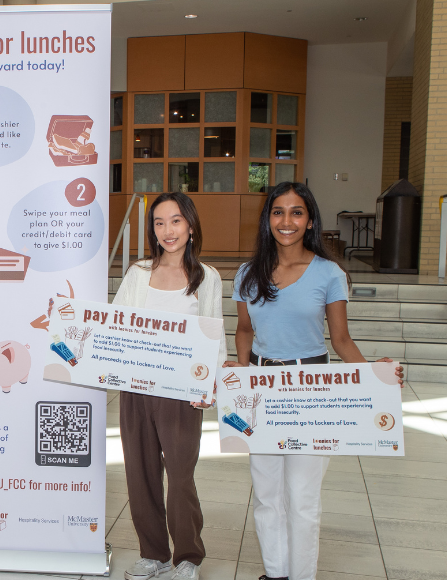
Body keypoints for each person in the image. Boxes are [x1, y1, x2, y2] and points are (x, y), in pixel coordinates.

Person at [229, 182, 403, 580]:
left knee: (303, 498)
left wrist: (375, 378)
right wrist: (242, 371)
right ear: (267, 218)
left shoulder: (329, 273)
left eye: (296, 212)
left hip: (312, 389)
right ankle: (275, 573)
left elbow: (341, 339)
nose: (286, 221)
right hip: (262, 391)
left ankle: (302, 575)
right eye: (278, 212)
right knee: (267, 495)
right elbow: (243, 329)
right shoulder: (246, 273)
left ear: (309, 221)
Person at [114, 192, 226, 580]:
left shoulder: (206, 277)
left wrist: (212, 380)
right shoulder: (138, 274)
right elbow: (115, 327)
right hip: (136, 390)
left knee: (180, 476)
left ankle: (188, 558)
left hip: (182, 394)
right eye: (159, 223)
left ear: (191, 226)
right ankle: (154, 553)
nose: (168, 230)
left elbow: (215, 333)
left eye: (176, 221)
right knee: (140, 473)